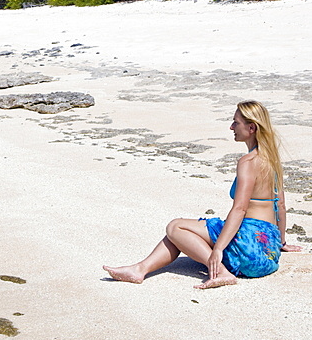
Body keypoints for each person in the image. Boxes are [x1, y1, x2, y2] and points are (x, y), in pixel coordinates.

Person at [103, 101, 301, 289]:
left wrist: (217, 250)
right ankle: (140, 270)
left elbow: (240, 209)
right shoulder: (272, 160)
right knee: (181, 237)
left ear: (251, 128)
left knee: (175, 226)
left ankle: (221, 272)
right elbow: (280, 206)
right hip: (268, 254)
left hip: (248, 249)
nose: (232, 127)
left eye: (236, 122)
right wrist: (281, 243)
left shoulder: (248, 162)